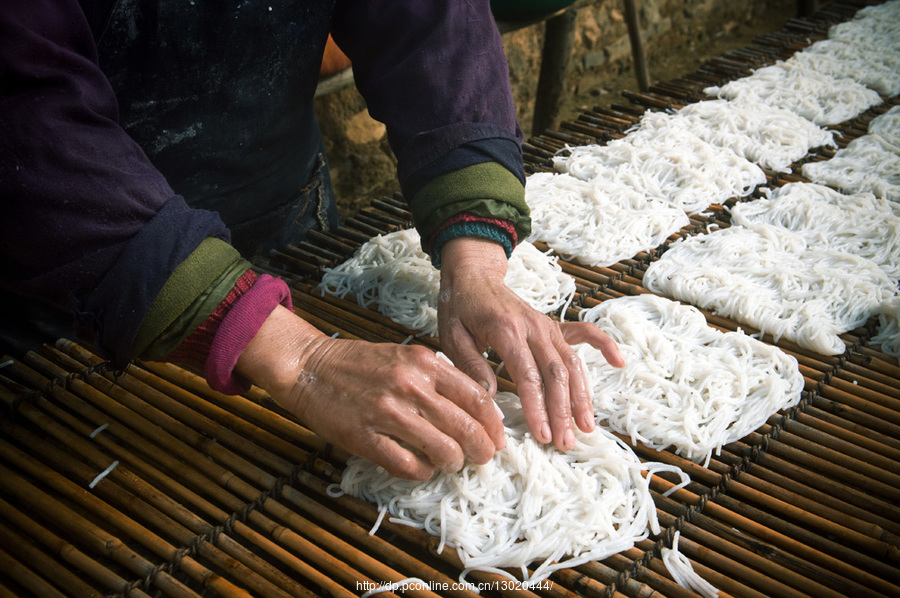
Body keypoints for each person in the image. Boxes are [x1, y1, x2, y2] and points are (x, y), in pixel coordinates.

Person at [0, 1, 624, 480]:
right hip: (58, 282)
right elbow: (26, 117)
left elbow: (432, 24)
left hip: (281, 231)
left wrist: (476, 256)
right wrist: (303, 360)